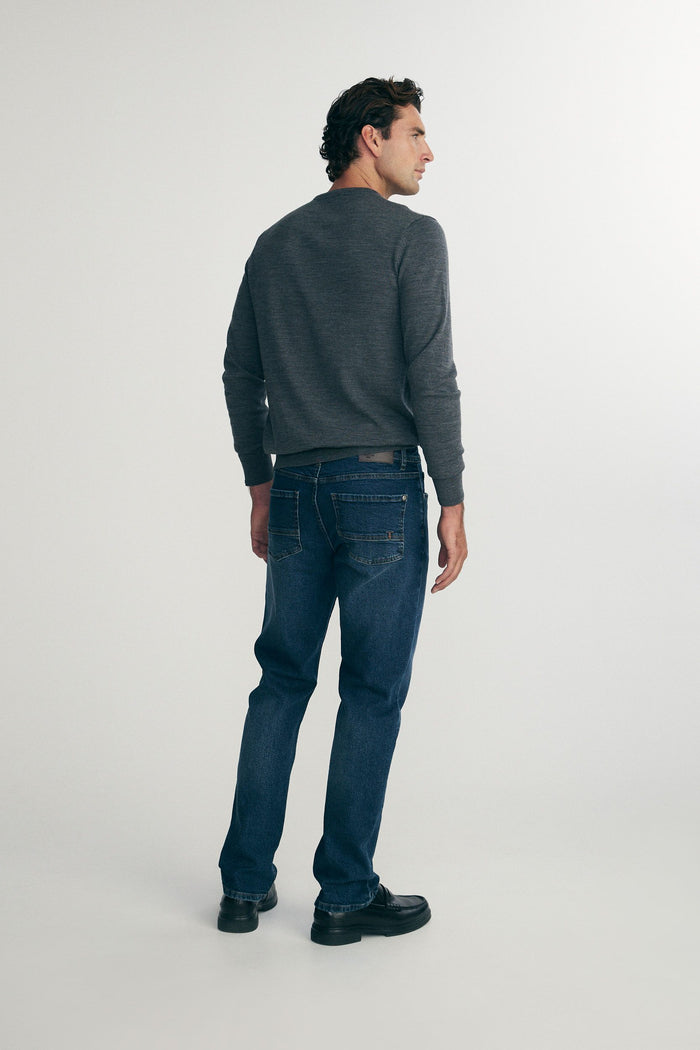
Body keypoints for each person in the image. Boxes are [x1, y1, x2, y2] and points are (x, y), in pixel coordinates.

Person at [217, 76, 467, 946]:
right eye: (415, 133)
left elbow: (240, 374)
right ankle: (342, 897)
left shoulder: (275, 244)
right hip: (379, 490)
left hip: (294, 488)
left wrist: (260, 482)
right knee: (370, 691)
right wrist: (453, 496)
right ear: (371, 137)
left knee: (281, 682)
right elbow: (431, 375)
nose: (428, 152)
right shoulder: (413, 238)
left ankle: (243, 888)